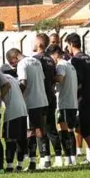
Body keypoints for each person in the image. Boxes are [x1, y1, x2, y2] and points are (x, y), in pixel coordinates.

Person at [6, 48, 50, 170]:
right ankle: (45, 159)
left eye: (12, 62)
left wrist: (17, 96)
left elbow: (23, 82)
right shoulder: (36, 61)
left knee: (30, 132)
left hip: (31, 101)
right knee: (41, 130)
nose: (13, 66)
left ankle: (32, 162)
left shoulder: (22, 64)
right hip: (43, 99)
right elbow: (43, 79)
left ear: (14, 57)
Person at [65, 33, 90, 163]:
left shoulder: (76, 60)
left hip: (81, 98)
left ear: (71, 44)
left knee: (85, 128)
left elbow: (76, 79)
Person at [33, 34, 62, 167]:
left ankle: (45, 159)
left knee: (40, 128)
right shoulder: (51, 60)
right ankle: (59, 157)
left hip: (40, 97)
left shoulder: (35, 60)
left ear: (39, 44)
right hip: (51, 96)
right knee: (51, 128)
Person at [49, 44, 79, 166]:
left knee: (64, 131)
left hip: (65, 103)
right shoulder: (70, 65)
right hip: (72, 102)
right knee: (70, 130)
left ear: (55, 54)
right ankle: (73, 158)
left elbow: (60, 78)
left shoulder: (61, 65)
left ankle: (67, 158)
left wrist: (48, 78)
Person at [0, 67, 29, 172]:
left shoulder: (2, 77)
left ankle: (9, 166)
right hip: (23, 110)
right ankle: (20, 165)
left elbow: (5, 87)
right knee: (20, 139)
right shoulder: (14, 79)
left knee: (10, 139)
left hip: (12, 111)